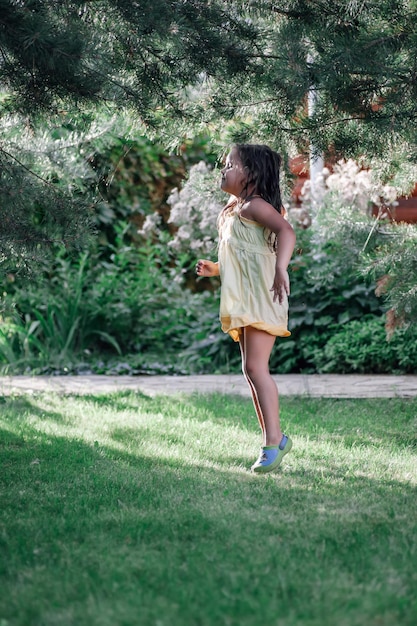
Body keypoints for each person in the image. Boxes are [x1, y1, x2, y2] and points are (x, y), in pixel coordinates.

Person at [196, 144, 296, 474]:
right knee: (250, 370)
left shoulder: (256, 206)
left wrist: (281, 268)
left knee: (256, 369)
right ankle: (274, 439)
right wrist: (216, 268)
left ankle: (273, 443)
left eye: (229, 165)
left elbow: (286, 231)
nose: (223, 171)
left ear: (251, 174)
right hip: (246, 298)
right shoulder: (234, 210)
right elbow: (240, 257)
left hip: (263, 296)